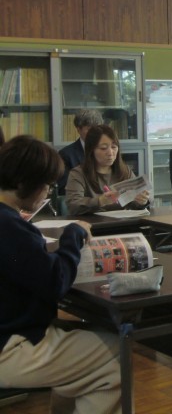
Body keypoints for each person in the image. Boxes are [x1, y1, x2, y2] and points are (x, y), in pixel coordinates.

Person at [0, 135, 122, 413]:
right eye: (46, 185)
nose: (47, 193)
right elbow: (55, 282)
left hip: (9, 330)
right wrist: (72, 237)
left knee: (84, 360)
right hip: (10, 346)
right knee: (116, 351)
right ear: (24, 183)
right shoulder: (8, 226)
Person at [65, 125, 150, 215]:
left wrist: (142, 201)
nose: (110, 153)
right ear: (91, 150)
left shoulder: (124, 171)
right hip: (92, 223)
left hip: (123, 221)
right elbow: (73, 205)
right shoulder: (78, 174)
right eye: (103, 148)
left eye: (114, 147)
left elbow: (133, 204)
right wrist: (100, 201)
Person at [58, 109, 104, 195]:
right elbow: (64, 188)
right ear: (78, 130)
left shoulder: (109, 151)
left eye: (97, 129)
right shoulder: (66, 155)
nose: (94, 133)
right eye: (89, 129)